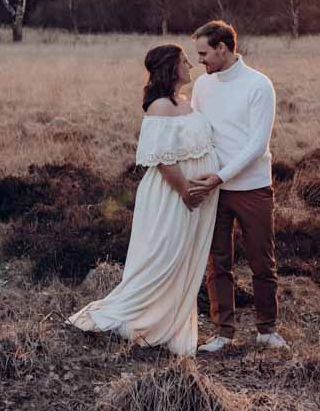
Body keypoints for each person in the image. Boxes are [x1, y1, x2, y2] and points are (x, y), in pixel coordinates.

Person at [67, 44, 219, 357]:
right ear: (170, 67)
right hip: (170, 196)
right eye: (184, 60)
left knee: (184, 261)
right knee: (163, 258)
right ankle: (134, 318)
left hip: (195, 198)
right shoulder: (160, 107)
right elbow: (161, 159)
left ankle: (168, 322)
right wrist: (186, 191)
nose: (190, 63)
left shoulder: (185, 102)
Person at [187, 20, 287, 352]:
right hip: (214, 189)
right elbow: (198, 131)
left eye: (204, 53)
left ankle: (266, 329)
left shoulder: (259, 85)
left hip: (252, 187)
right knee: (218, 261)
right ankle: (222, 333)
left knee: (261, 259)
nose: (200, 61)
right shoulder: (202, 86)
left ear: (223, 48)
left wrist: (221, 175)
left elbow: (257, 144)